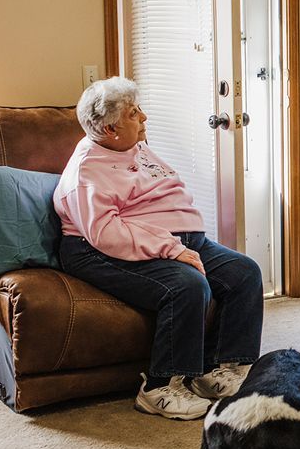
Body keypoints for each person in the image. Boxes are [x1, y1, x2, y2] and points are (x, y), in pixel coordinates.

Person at [54, 76, 264, 420]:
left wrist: (185, 237)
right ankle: (159, 386)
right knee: (187, 286)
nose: (144, 118)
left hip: (176, 238)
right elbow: (106, 232)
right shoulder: (85, 174)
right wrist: (171, 248)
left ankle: (214, 371)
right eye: (134, 114)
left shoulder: (130, 145)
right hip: (99, 249)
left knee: (244, 273)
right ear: (108, 129)